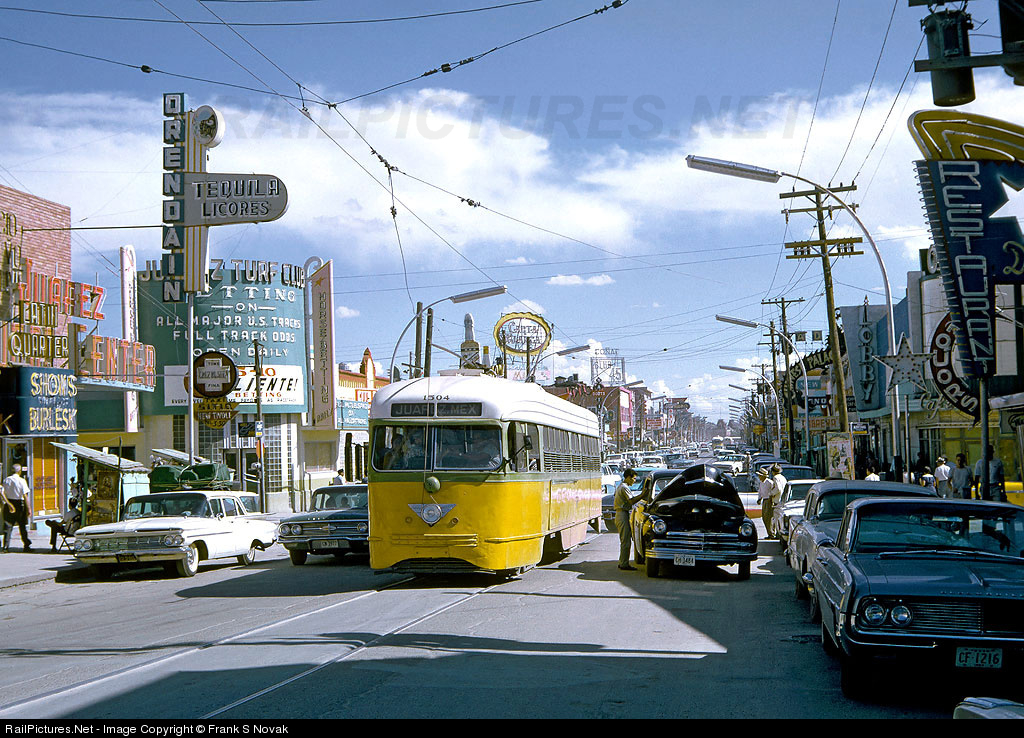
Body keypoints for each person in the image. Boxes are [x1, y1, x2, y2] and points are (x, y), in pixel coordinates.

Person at [614, 469, 646, 570]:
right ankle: (624, 564)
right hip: (622, 514)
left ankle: (623, 561)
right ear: (628, 477)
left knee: (625, 540)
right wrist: (642, 495)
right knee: (626, 541)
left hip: (622, 514)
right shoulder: (624, 487)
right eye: (633, 479)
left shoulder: (621, 486)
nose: (634, 481)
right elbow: (631, 501)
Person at [1, 464, 33, 552]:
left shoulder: (6, 480)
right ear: (19, 471)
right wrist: (29, 508)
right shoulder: (22, 481)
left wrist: (7, 503)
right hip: (19, 504)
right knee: (22, 525)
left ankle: (5, 546)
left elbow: (2, 492)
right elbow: (25, 496)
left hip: (9, 503)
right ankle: (26, 545)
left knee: (8, 526)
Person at [766, 464, 787, 537]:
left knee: (774, 518)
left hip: (777, 500)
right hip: (782, 500)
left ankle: (774, 534)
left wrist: (771, 493)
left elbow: (778, 488)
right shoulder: (783, 478)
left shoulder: (775, 478)